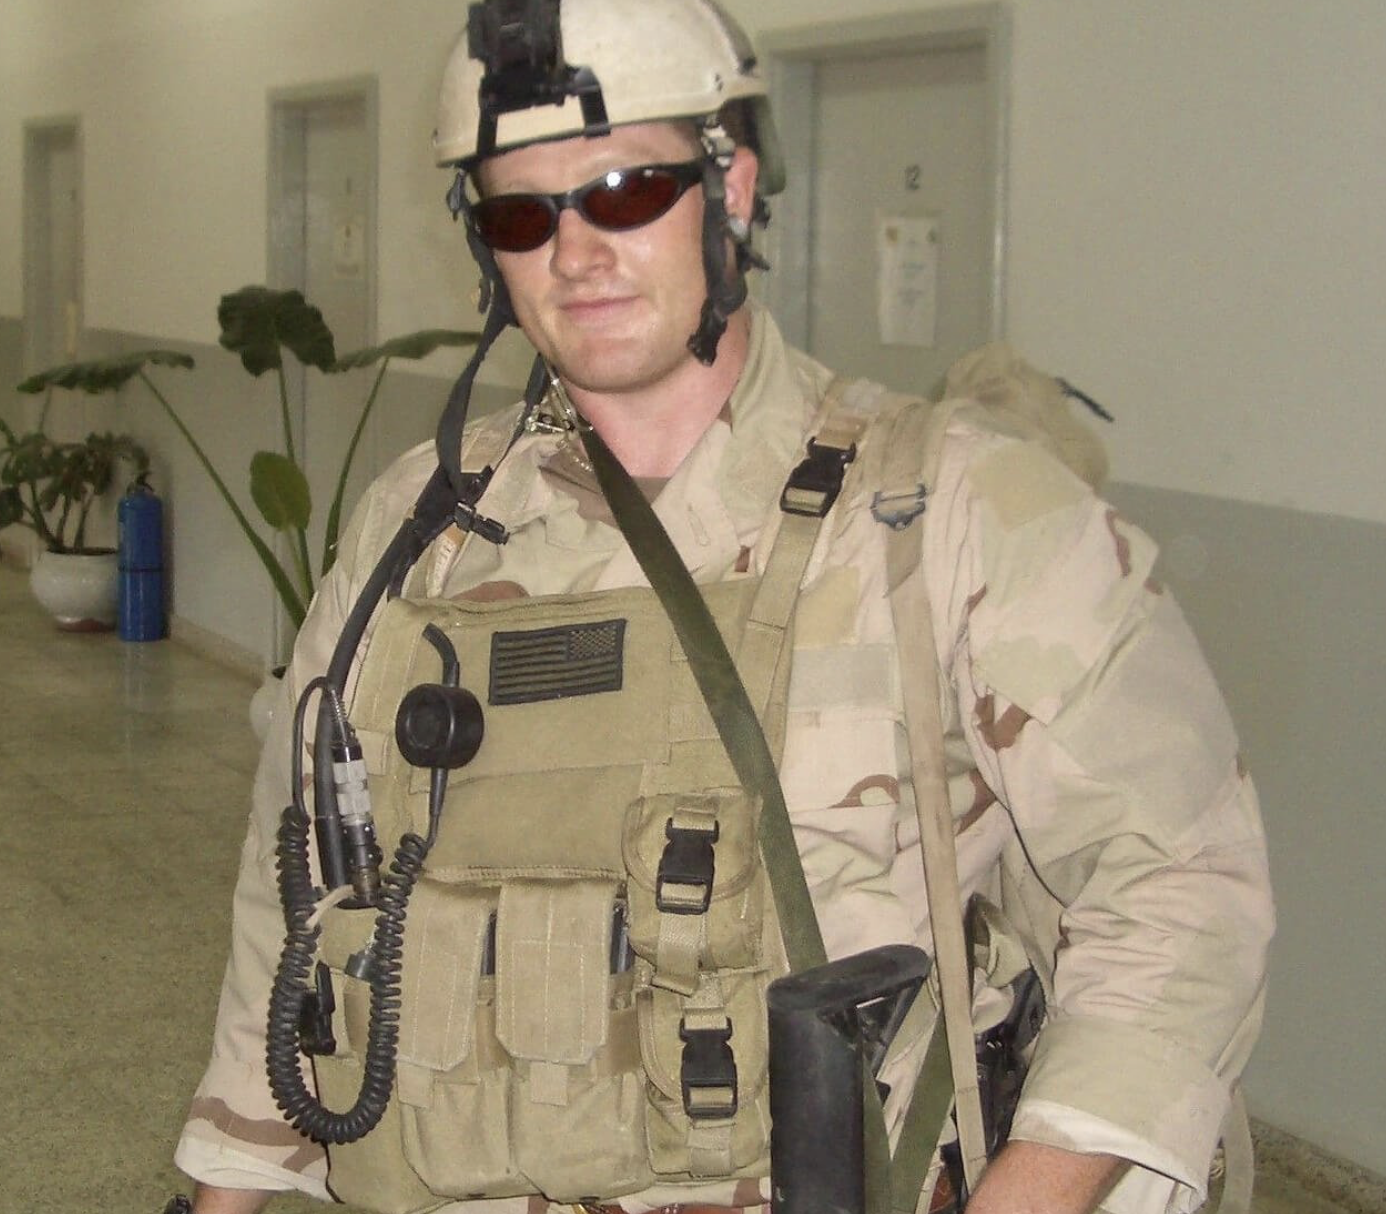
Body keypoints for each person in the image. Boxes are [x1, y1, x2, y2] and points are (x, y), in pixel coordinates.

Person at [171, 2, 1273, 1213]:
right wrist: (224, 1189)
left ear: (730, 186)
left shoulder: (954, 515)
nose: (576, 253)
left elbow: (1180, 883)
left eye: (627, 191)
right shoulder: (418, 529)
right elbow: (295, 901)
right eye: (522, 214)